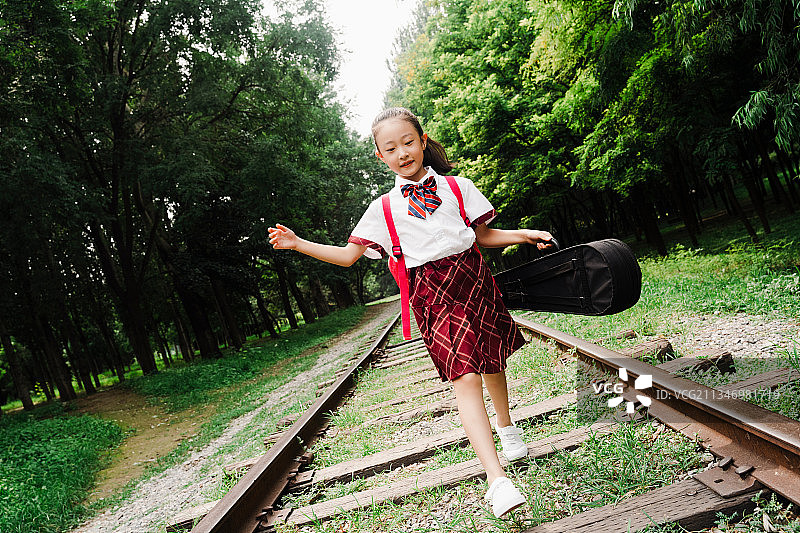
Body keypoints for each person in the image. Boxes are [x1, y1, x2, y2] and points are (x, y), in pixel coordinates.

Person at [268, 107, 553, 518]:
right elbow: (349, 256)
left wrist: (523, 235)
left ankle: (506, 427)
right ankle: (497, 480)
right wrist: (298, 244)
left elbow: (483, 235)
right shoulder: (382, 209)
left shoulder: (458, 188)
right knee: (465, 376)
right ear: (380, 156)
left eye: (407, 142)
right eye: (390, 148)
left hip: (473, 279)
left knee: (491, 362)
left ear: (421, 140)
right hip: (431, 293)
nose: (402, 153)